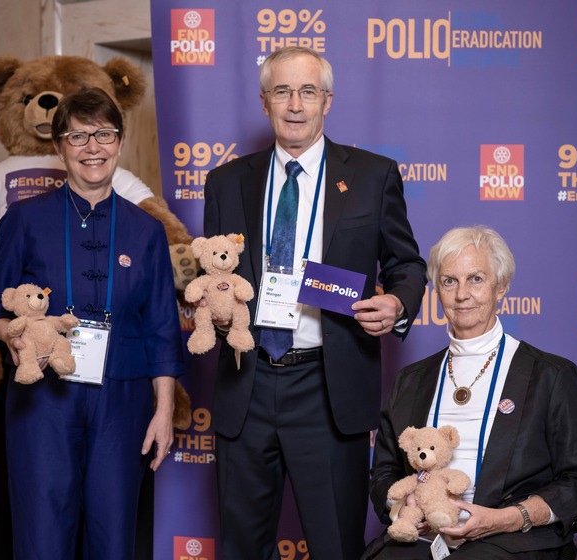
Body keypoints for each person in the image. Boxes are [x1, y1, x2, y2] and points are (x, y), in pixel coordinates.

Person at [202, 46, 427, 560]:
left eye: (308, 91)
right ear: (265, 103)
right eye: (282, 91)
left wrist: (396, 302)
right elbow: (214, 275)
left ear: (328, 100)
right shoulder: (226, 182)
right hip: (247, 380)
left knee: (335, 547)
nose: (295, 104)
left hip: (327, 387)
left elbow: (407, 265)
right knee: (240, 548)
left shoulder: (373, 175)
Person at [0, 87, 184, 559]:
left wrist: (164, 410)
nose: (93, 148)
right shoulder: (23, 219)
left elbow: (161, 327)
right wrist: (6, 331)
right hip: (42, 395)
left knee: (113, 538)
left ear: (120, 140)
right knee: (42, 534)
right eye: (78, 136)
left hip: (122, 398)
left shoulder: (147, 231)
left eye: (104, 134)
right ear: (58, 147)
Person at [364, 226, 577, 560]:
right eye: (449, 281)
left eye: (476, 279)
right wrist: (403, 503)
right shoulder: (410, 381)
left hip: (511, 539)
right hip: (426, 536)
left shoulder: (552, 376)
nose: (462, 294)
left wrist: (506, 518)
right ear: (438, 291)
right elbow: (385, 472)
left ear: (501, 287)